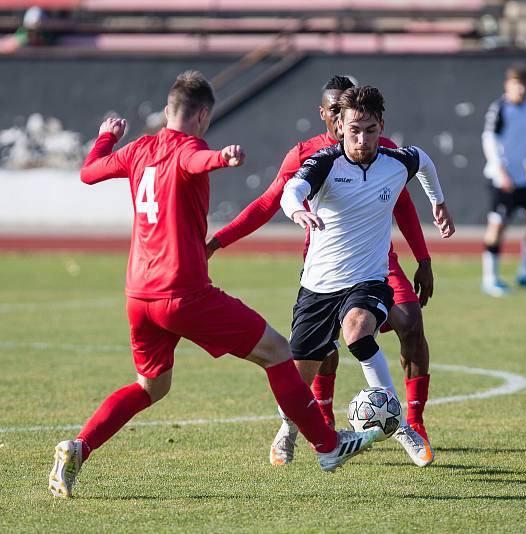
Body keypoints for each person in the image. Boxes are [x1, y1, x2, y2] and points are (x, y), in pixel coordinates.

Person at [48, 71, 379, 498]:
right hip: (182, 293)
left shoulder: (138, 149)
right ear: (203, 115)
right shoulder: (192, 148)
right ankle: (328, 445)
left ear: (168, 111)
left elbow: (89, 172)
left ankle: (79, 445)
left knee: (151, 386)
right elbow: (193, 162)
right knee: (279, 352)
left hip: (138, 295)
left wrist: (105, 138)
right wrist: (221, 158)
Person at [207, 76, 439, 466]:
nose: (344, 123)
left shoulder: (382, 150)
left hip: (377, 261)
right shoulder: (308, 156)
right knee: (314, 358)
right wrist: (219, 241)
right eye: (335, 112)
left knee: (406, 323)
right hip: (323, 266)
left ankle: (407, 423)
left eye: (352, 117)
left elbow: (402, 204)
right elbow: (269, 203)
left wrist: (424, 258)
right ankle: (299, 425)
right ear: (326, 114)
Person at [280, 85, 455, 467]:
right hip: (318, 286)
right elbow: (292, 189)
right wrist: (297, 211)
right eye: (354, 129)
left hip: (368, 279)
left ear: (381, 127)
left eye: (370, 130)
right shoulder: (325, 163)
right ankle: (289, 430)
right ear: (339, 125)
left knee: (357, 332)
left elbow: (424, 161)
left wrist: (437, 201)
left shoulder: (396, 162)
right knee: (296, 383)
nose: (362, 139)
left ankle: (400, 425)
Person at [480, 64, 526, 296]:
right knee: (498, 225)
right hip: (502, 179)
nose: (520, 89)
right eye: (515, 84)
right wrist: (501, 172)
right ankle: (490, 279)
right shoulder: (499, 109)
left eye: (523, 84)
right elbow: (488, 140)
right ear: (507, 85)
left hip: (523, 179)